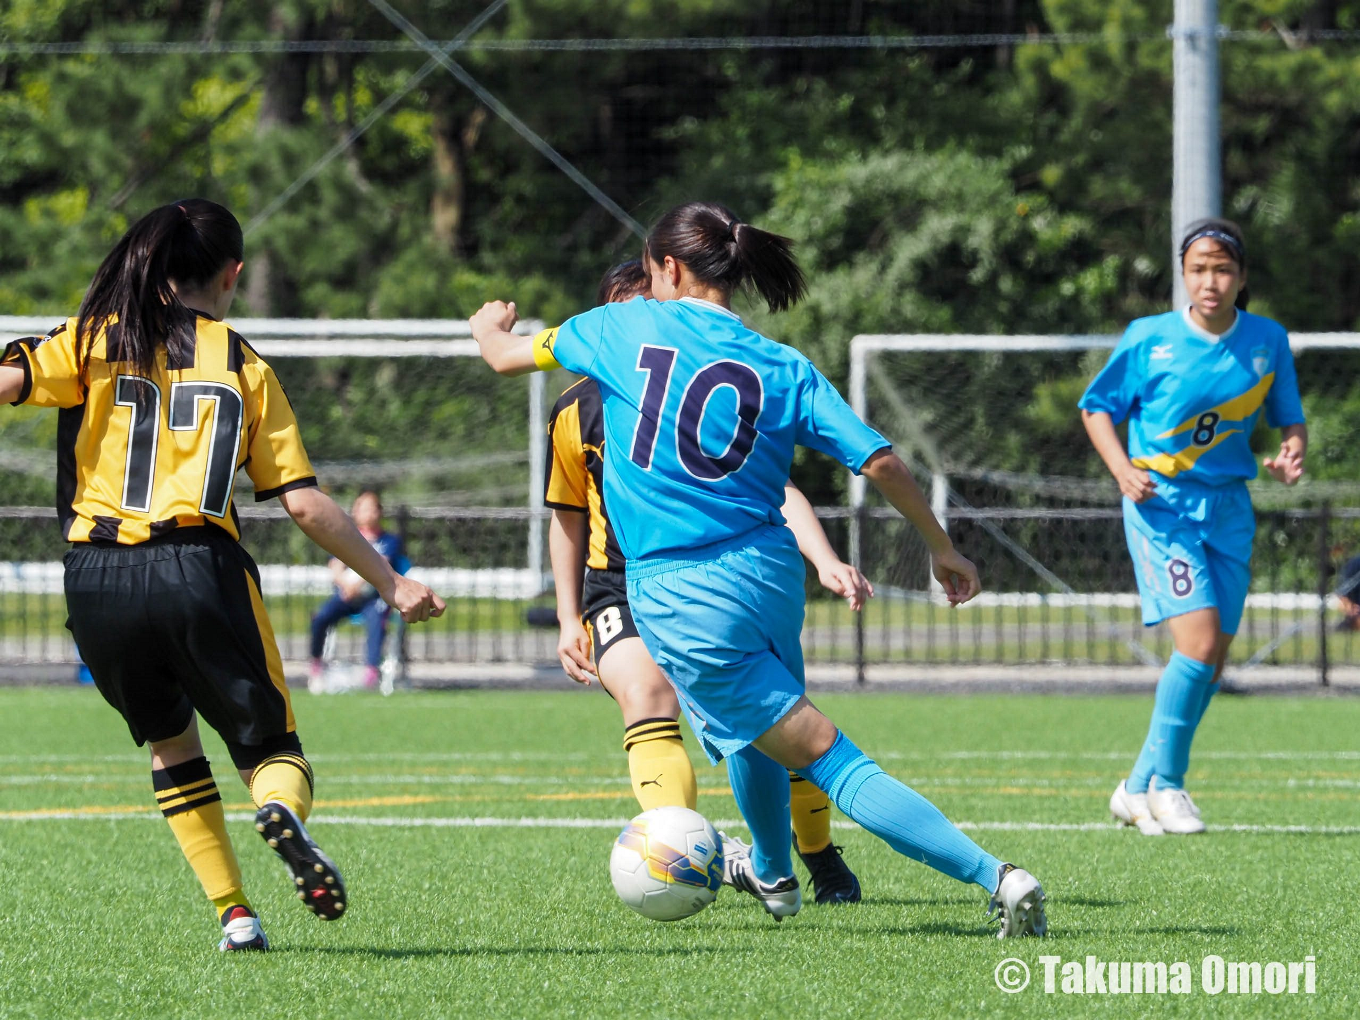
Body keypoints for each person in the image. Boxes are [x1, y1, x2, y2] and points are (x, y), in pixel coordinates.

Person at [473, 201, 1046, 936]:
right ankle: (775, 873)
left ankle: (997, 876)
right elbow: (879, 460)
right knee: (756, 729)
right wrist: (942, 546)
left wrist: (487, 324)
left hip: (681, 592)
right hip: (771, 576)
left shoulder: (619, 326)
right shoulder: (782, 364)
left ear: (668, 269)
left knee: (828, 757)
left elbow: (502, 355)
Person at [0, 199, 444, 951]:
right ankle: (282, 812)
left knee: (170, 744)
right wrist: (390, 582)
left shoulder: (92, 338)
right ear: (232, 274)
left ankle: (235, 914)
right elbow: (302, 503)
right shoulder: (243, 363)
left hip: (95, 578)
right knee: (273, 752)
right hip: (198, 569)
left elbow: (8, 381)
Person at [549, 260, 868, 905]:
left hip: (705, 576)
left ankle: (816, 852)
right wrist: (565, 616)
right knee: (647, 696)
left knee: (776, 720)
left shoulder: (696, 380)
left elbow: (777, 490)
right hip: (619, 586)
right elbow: (567, 515)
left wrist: (824, 558)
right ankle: (684, 854)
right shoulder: (575, 409)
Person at [1080, 217, 1306, 836]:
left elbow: (1290, 419)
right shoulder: (1149, 337)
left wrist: (1292, 451)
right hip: (1162, 506)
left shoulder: (1267, 339)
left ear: (1242, 276)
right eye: (1199, 269)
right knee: (1199, 646)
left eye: (1223, 269)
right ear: (1182, 274)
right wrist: (1122, 469)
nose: (1211, 281)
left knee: (1213, 659)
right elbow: (1096, 407)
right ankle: (1169, 786)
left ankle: (1135, 786)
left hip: (1229, 508)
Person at [309, 489, 406, 690]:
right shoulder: (346, 537)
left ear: (379, 512)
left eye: (371, 508)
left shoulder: (389, 541)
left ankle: (371, 670)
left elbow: (381, 565)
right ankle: (316, 664)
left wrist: (357, 584)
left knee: (377, 619)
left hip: (373, 598)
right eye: (361, 508)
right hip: (346, 596)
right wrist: (346, 586)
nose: (366, 513)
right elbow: (335, 565)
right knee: (320, 617)